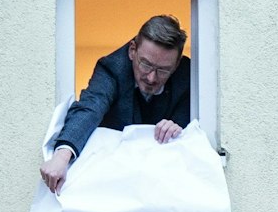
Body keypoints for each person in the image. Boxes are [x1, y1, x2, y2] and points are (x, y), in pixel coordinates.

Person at [40, 15, 192, 193]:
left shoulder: (189, 77)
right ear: (132, 51)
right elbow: (90, 108)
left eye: (163, 70)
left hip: (165, 182)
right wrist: (61, 155)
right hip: (113, 178)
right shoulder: (112, 68)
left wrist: (178, 127)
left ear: (176, 65)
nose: (151, 77)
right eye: (145, 64)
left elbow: (191, 130)